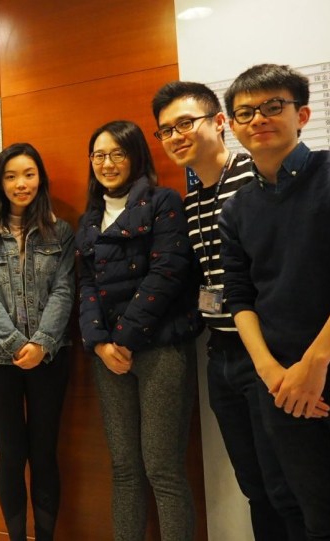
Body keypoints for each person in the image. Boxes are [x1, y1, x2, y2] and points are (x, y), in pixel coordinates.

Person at [151, 81, 306, 540]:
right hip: (221, 356)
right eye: (166, 130)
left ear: (219, 122)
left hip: (272, 350)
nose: (176, 136)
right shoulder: (190, 201)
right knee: (255, 486)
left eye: (185, 123)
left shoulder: (257, 175)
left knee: (290, 486)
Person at [219, 63, 330, 541]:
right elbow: (239, 295)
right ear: (233, 125)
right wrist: (270, 372)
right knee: (318, 520)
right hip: (282, 386)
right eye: (245, 112)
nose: (259, 118)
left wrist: (315, 363)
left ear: (301, 114)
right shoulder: (236, 209)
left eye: (272, 106)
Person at [75, 120, 202, 540]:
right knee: (125, 468)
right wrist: (99, 344)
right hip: (108, 356)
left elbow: (167, 273)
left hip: (160, 349)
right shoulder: (90, 218)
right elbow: (86, 284)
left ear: (135, 157)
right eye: (99, 155)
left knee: (163, 469)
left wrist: (123, 341)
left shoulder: (163, 201)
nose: (107, 163)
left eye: (117, 153)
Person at [0, 143, 74, 540]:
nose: (21, 183)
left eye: (29, 174)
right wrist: (16, 344)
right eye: (11, 176)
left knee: (44, 454)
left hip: (50, 358)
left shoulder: (60, 231)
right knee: (11, 455)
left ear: (40, 178)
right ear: (0, 182)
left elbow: (65, 290)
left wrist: (42, 343)